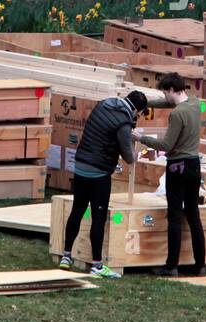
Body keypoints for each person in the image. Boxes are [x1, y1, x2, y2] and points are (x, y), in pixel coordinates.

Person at [58, 89, 149, 279]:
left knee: (77, 210)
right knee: (98, 218)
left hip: (81, 165)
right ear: (136, 111)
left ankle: (66, 256)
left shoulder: (104, 104)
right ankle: (97, 265)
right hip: (98, 173)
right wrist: (138, 153)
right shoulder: (124, 122)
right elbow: (127, 157)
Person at [134, 73, 205, 277]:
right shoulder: (194, 103)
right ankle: (201, 265)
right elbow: (168, 103)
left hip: (177, 166)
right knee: (193, 215)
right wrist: (147, 102)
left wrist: (142, 137)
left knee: (174, 216)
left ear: (172, 90)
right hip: (194, 166)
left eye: (166, 92)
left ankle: (171, 266)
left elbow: (166, 145)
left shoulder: (177, 115)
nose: (165, 96)